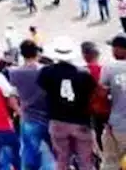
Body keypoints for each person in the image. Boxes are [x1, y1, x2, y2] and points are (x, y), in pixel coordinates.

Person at [38, 37, 97, 170]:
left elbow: (43, 89)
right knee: (85, 160)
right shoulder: (83, 73)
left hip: (57, 119)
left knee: (62, 158)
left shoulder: (46, 72)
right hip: (80, 120)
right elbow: (91, 94)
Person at [8, 40, 55, 170]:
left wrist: (20, 111)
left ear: (22, 54)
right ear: (37, 52)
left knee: (29, 156)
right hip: (48, 117)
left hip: (28, 118)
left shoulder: (14, 72)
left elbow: (12, 96)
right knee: (52, 155)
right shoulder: (46, 70)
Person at [100, 35, 126, 170]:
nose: (113, 51)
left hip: (116, 125)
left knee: (110, 161)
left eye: (114, 48)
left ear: (121, 49)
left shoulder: (109, 68)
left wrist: (105, 120)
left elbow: (101, 97)